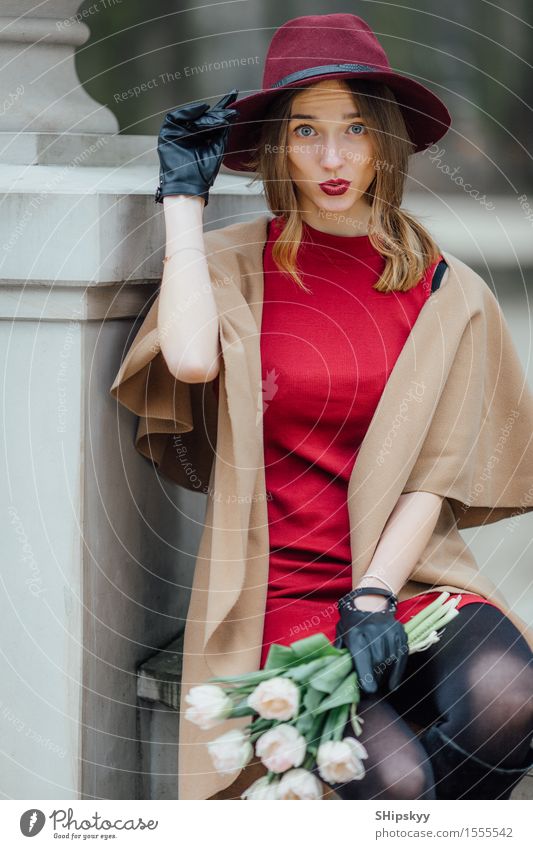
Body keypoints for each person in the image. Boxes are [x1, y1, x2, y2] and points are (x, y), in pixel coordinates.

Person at [110, 13, 533, 800]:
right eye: (305, 131)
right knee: (396, 781)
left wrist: (373, 592)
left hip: (404, 578)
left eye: (354, 130)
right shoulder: (235, 266)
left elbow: (432, 474)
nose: (332, 158)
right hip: (278, 595)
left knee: (510, 698)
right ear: (276, 144)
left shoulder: (447, 289)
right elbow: (192, 357)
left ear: (386, 142)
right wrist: (181, 199)